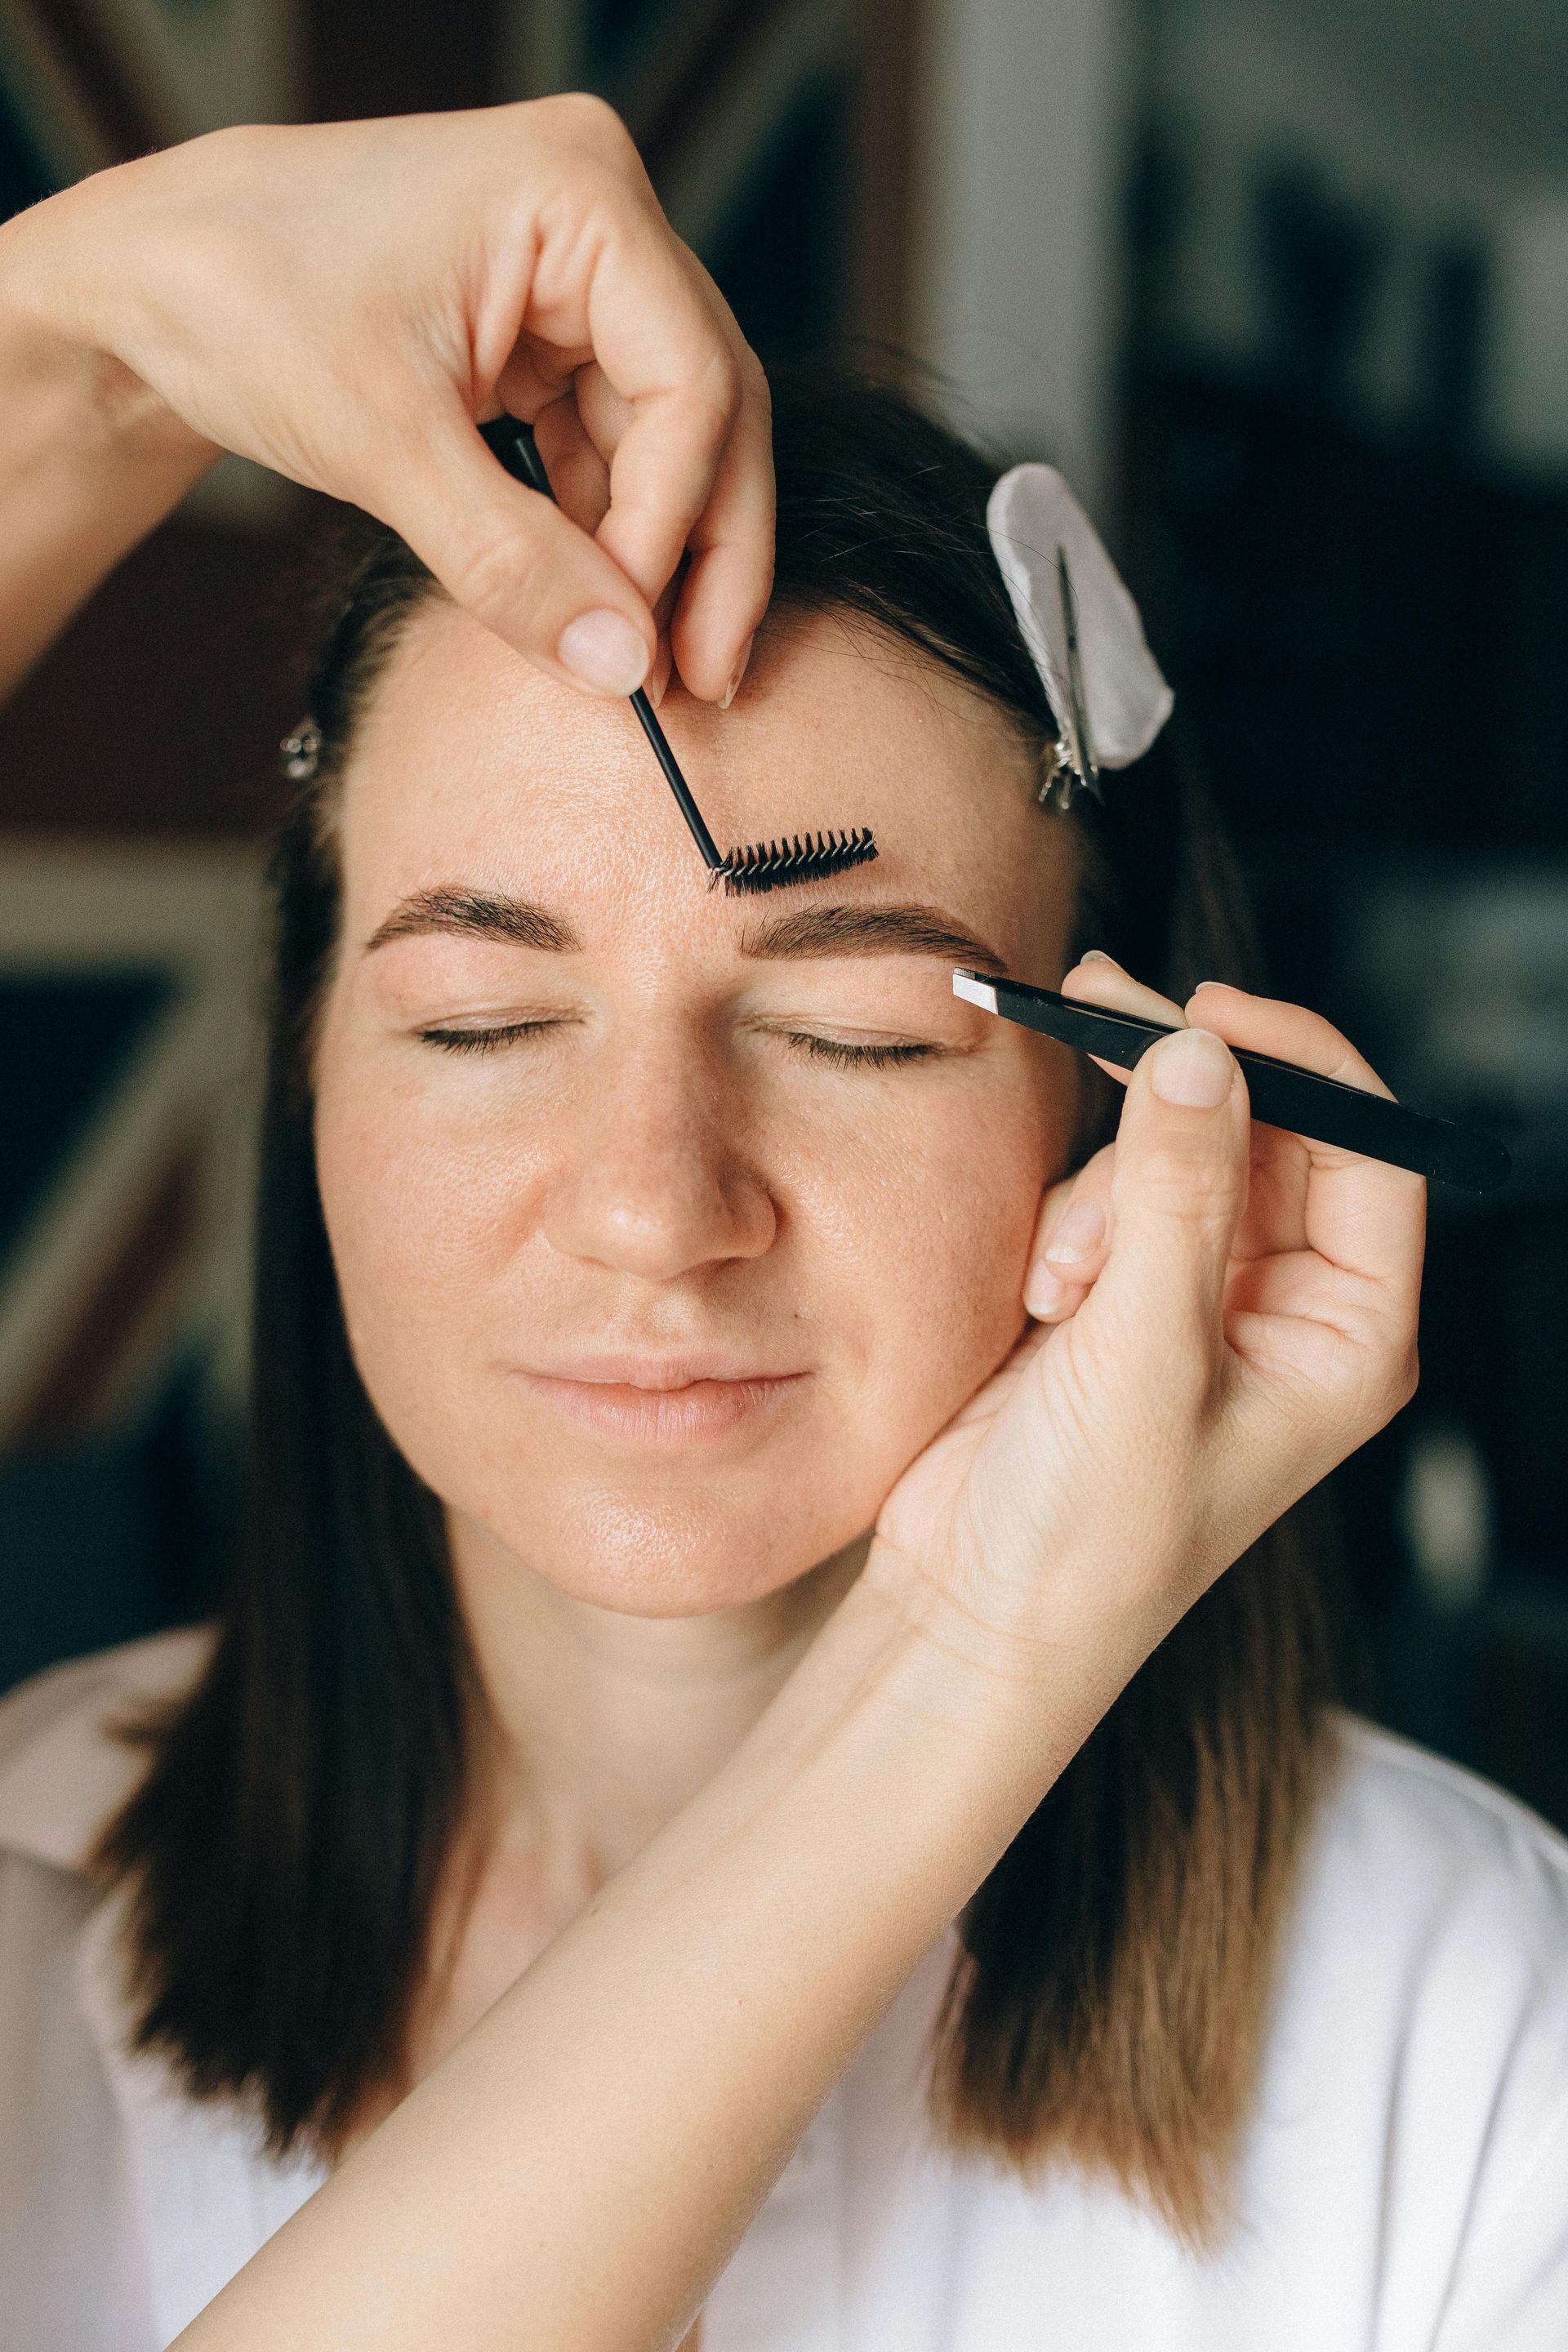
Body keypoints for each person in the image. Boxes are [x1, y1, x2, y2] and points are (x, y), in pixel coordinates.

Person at [0, 100, 1564, 2352]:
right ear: (310, 1071)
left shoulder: (1478, 2045)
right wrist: (89, 337)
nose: (654, 1207)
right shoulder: (33, 1911)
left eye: (854, 1034)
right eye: (480, 1019)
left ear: (1122, 1112)